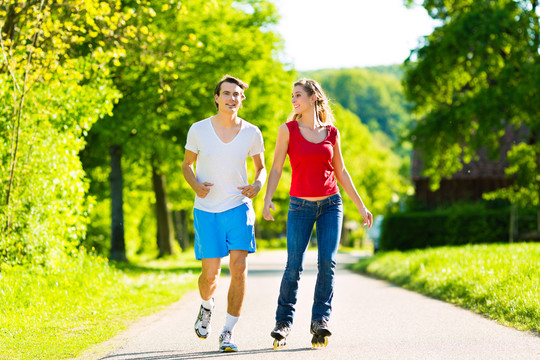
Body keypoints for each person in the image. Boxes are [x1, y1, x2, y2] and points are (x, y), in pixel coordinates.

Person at [262, 78, 373, 349]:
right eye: (292, 95)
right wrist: (266, 199)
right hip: (299, 206)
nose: (293, 99)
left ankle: (320, 321)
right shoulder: (287, 130)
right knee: (293, 266)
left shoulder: (332, 132)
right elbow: (276, 168)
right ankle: (283, 323)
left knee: (328, 264)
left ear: (313, 97)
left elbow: (341, 172)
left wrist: (361, 205)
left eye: (298, 94)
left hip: (331, 205)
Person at [182, 75, 266, 353]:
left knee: (239, 269)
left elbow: (261, 169)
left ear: (242, 99)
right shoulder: (198, 130)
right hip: (206, 210)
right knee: (210, 274)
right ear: (217, 98)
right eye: (226, 93)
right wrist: (195, 185)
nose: (231, 98)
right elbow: (186, 166)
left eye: (236, 94)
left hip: (239, 206)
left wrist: (256, 185)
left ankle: (228, 332)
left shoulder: (252, 132)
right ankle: (207, 306)